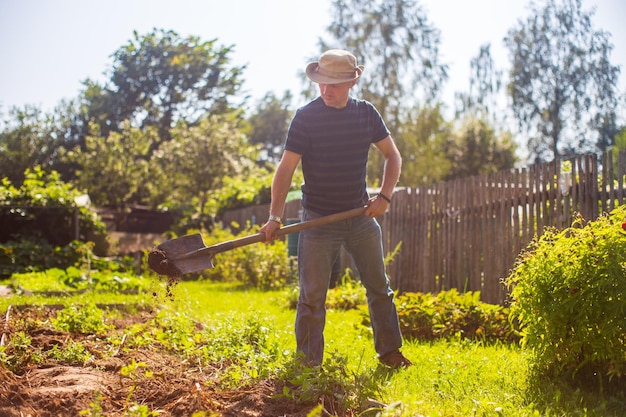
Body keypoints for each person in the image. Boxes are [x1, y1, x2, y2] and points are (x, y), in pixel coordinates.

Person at [260, 49, 411, 369]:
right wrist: (275, 216)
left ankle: (390, 353)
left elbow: (392, 156)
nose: (326, 90)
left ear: (351, 83)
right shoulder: (306, 117)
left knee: (379, 289)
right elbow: (285, 169)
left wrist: (384, 196)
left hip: (359, 216)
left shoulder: (366, 114)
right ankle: (307, 365)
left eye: (334, 85)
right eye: (321, 83)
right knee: (312, 298)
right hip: (316, 221)